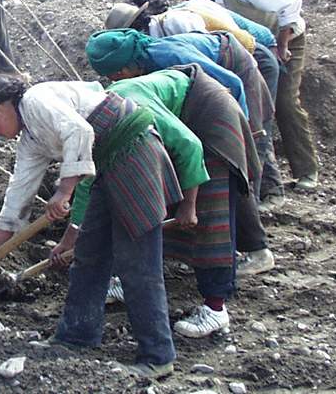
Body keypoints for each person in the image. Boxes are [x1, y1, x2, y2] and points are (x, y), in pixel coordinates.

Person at [0, 74, 182, 378]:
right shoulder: (30, 141)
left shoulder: (36, 100)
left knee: (137, 262)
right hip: (105, 166)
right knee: (89, 255)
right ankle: (77, 335)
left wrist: (64, 191)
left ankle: (158, 356)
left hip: (132, 150)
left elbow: (79, 131)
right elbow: (15, 203)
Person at [59, 65, 261, 337]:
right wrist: (72, 235)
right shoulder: (98, 120)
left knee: (211, 214)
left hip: (208, 115)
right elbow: (89, 181)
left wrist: (189, 206)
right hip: (175, 123)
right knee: (149, 201)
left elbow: (190, 145)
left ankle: (216, 308)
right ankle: (126, 282)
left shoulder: (129, 108)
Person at [86, 29, 276, 275]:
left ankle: (258, 250)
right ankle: (198, 248)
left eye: (114, 75)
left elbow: (230, 82)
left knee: (233, 170)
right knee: (192, 166)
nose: (113, 81)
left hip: (234, 83)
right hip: (199, 101)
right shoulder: (140, 69)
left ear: (124, 67)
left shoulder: (168, 55)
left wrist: (243, 128)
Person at [106, 0, 285, 206]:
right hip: (215, 77)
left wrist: (241, 120)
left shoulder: (173, 28)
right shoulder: (144, 51)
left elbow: (223, 77)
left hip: (245, 62)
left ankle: (261, 197)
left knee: (253, 137)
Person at [169, 0, 319, 190]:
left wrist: (282, 45)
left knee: (284, 102)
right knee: (255, 107)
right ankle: (264, 179)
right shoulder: (197, 6)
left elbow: (291, 3)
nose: (186, 0)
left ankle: (306, 170)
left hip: (283, 38)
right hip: (248, 49)